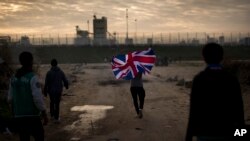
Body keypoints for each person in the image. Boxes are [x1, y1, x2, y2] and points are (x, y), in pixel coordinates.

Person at [185, 43, 245, 141]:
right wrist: (241, 134)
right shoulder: (232, 79)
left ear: (204, 58)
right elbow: (239, 110)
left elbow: (194, 112)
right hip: (228, 132)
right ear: (222, 57)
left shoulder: (199, 79)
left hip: (205, 132)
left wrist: (188, 137)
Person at [8, 51, 48, 141]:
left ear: (20, 62)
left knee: (24, 138)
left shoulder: (13, 78)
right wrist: (44, 113)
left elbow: (10, 99)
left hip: (19, 116)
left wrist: (14, 113)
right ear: (31, 61)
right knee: (40, 136)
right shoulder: (32, 77)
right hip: (32, 116)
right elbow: (37, 98)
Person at [44, 59, 68, 123]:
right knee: (57, 104)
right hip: (58, 90)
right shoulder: (60, 72)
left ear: (51, 64)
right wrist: (66, 86)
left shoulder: (49, 73)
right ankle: (56, 118)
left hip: (51, 91)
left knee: (52, 102)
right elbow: (65, 80)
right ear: (57, 64)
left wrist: (45, 91)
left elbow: (46, 83)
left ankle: (52, 115)